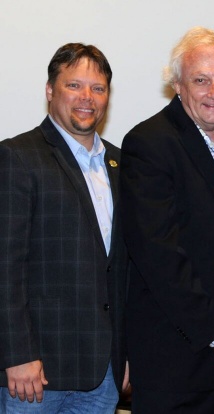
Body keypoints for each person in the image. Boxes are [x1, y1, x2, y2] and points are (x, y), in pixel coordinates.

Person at [120, 27, 214, 413]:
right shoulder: (149, 143)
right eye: (201, 80)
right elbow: (159, 255)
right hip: (179, 365)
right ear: (177, 84)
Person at [0, 43, 129, 413]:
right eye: (74, 86)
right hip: (35, 376)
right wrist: (18, 355)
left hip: (103, 375)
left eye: (98, 88)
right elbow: (5, 267)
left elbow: (124, 272)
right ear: (50, 91)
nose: (87, 97)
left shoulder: (122, 164)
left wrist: (126, 355)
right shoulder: (18, 157)